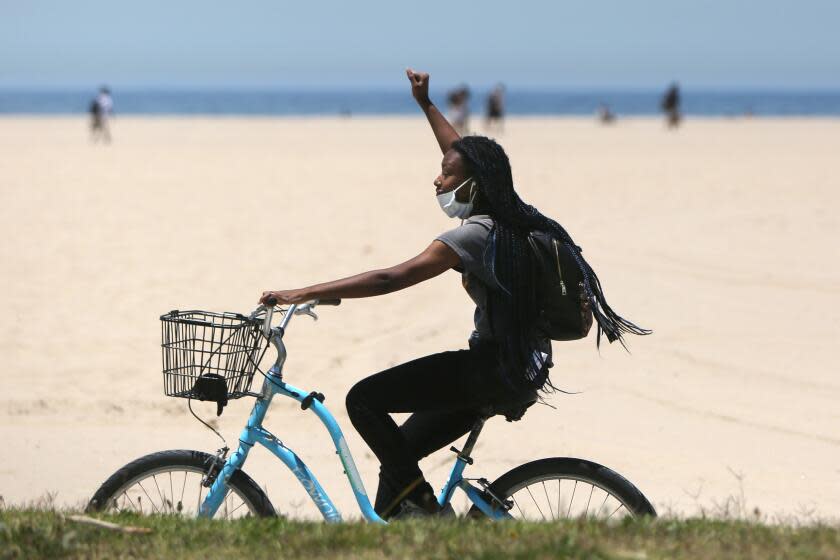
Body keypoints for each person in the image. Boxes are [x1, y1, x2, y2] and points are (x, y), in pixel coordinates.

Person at [259, 68, 646, 520]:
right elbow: (460, 153)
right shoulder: (518, 217)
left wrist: (301, 291)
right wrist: (426, 104)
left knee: (362, 400)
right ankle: (396, 534)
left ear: (472, 186)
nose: (438, 180)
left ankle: (431, 514)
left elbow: (393, 278)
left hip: (490, 370)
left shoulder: (476, 236)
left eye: (446, 175)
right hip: (523, 366)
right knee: (398, 456)